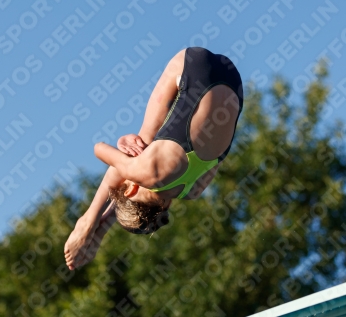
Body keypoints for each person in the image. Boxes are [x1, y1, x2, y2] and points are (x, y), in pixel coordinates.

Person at [64, 47, 243, 270]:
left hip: (233, 82)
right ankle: (87, 220)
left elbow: (131, 189)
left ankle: (98, 217)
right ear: (130, 190)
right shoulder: (148, 173)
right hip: (196, 64)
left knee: (147, 149)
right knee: (143, 140)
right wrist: (90, 223)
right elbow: (100, 149)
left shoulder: (194, 190)